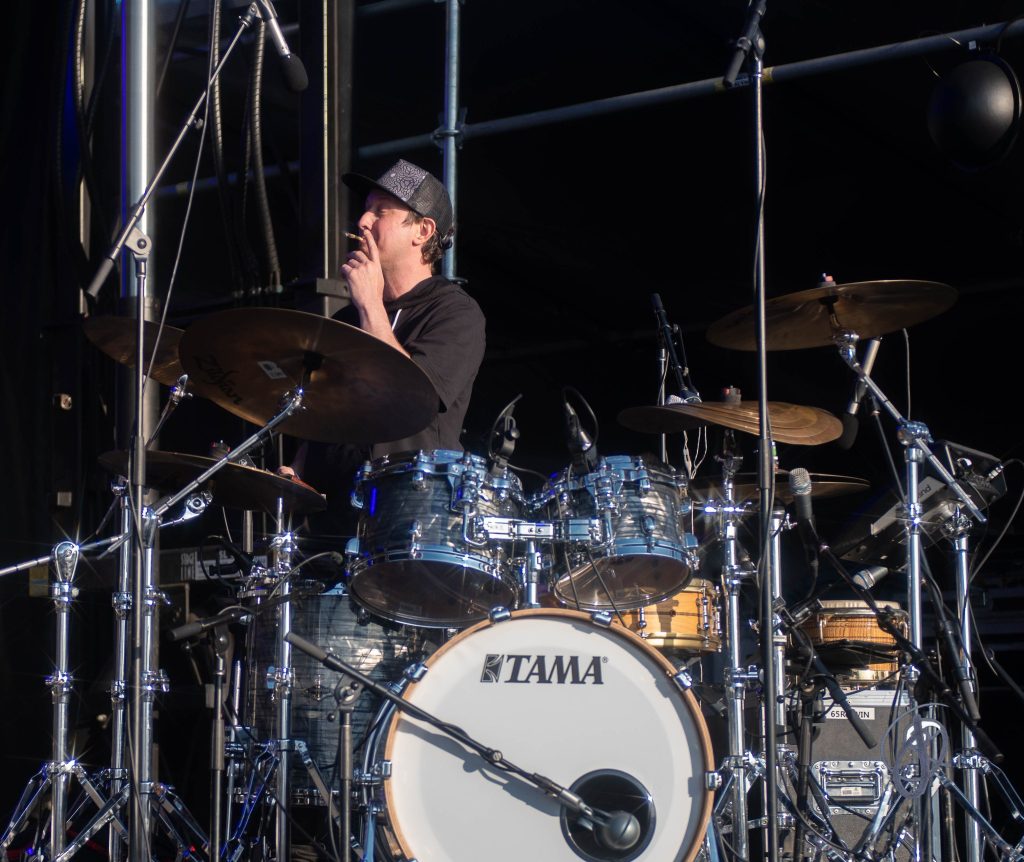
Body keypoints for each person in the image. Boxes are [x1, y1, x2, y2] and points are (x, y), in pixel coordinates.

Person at [288, 159, 486, 538]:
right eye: (366, 209)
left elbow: (414, 392)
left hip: (411, 523)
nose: (363, 221)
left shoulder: (454, 312)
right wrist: (296, 473)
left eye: (380, 212)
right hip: (332, 525)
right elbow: (320, 413)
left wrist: (370, 304)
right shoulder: (346, 319)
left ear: (422, 231)